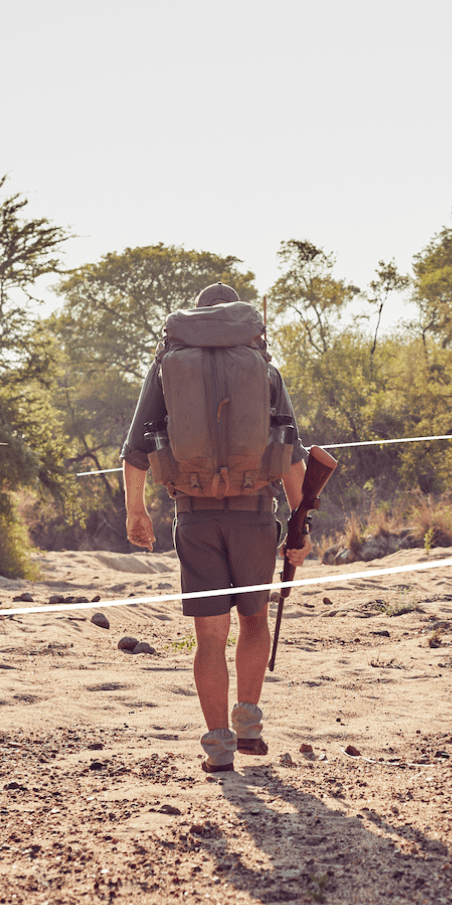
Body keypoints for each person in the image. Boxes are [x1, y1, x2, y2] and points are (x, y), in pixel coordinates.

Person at [121, 282, 309, 773]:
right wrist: (299, 524)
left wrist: (135, 512)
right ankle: (249, 725)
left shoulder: (168, 368)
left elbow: (136, 449)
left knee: (210, 638)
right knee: (253, 621)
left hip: (196, 515)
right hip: (254, 516)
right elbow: (289, 451)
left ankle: (219, 748)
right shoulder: (263, 367)